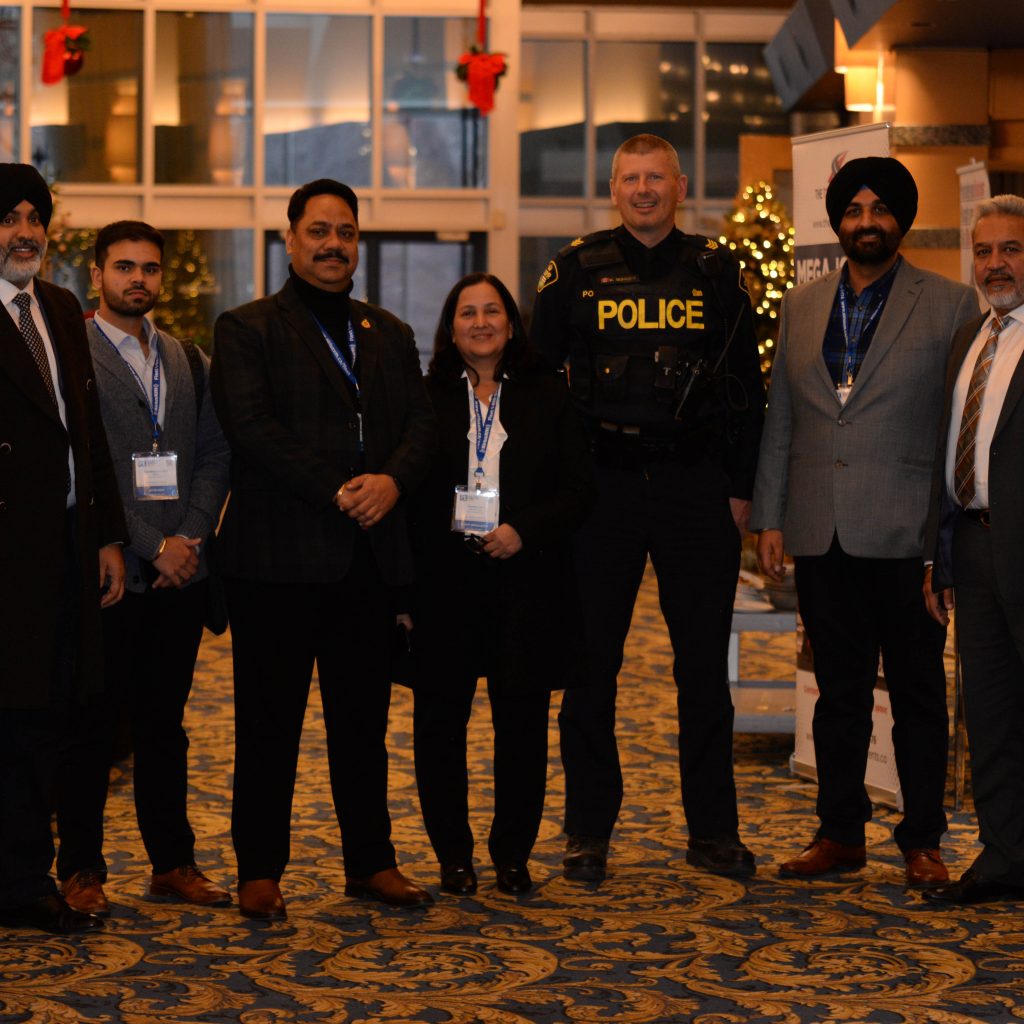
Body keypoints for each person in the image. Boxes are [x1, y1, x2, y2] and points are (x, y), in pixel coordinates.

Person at [529, 133, 766, 883]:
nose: (643, 190)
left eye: (655, 177)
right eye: (630, 178)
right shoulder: (573, 271)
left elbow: (747, 391)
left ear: (680, 186)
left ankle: (714, 832)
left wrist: (743, 489)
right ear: (613, 189)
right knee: (590, 667)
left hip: (696, 486)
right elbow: (536, 389)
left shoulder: (718, 272)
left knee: (703, 671)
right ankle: (587, 832)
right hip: (602, 489)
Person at [210, 178, 436, 919]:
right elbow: (251, 428)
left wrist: (392, 482)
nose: (333, 244)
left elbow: (421, 427)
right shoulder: (247, 328)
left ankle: (371, 862)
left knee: (362, 728)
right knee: (267, 725)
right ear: (290, 239)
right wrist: (340, 489)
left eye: (346, 232)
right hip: (276, 563)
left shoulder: (388, 332)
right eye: (319, 231)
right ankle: (259, 871)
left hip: (366, 563)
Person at [752, 156, 979, 886]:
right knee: (837, 695)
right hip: (822, 531)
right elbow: (783, 419)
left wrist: (944, 543)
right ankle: (840, 833)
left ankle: (923, 841)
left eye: (880, 209)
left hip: (907, 536)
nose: (866, 221)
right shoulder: (802, 306)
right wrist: (770, 516)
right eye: (853, 209)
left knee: (918, 695)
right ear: (838, 221)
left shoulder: (950, 305)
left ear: (901, 220)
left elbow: (957, 431)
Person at [54, 221, 232, 918]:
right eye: (124, 267)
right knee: (93, 726)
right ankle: (81, 870)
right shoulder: (71, 356)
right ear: (97, 274)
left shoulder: (187, 358)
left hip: (180, 577)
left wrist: (190, 537)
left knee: (165, 725)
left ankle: (172, 864)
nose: (139, 279)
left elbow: (215, 454)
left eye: (149, 268)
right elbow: (81, 469)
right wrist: (154, 544)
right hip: (111, 574)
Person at [410, 273, 595, 896]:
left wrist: (524, 530)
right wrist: (403, 593)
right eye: (468, 313)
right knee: (440, 728)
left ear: (512, 325)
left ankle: (512, 854)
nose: (481, 323)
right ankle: (453, 857)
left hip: (526, 579)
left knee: (521, 728)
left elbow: (579, 490)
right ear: (451, 327)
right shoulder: (425, 396)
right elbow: (406, 494)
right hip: (444, 582)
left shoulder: (549, 394)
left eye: (493, 311)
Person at [0, 164, 126, 934]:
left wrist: (107, 533)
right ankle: (17, 880)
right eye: (9, 218)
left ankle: (24, 877)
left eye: (34, 218)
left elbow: (89, 434)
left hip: (68, 551)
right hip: (7, 555)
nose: (25, 233)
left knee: (49, 717)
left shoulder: (57, 306)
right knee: (9, 721)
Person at [923, 195, 1024, 905]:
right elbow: (947, 454)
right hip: (975, 548)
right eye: (984, 251)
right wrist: (940, 556)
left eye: (1011, 249)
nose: (995, 264)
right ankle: (1003, 857)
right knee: (988, 711)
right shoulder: (969, 338)